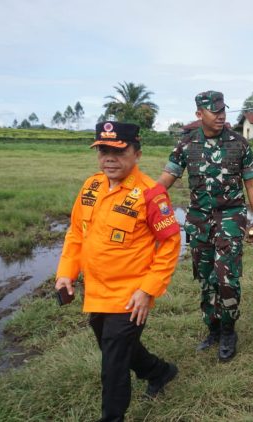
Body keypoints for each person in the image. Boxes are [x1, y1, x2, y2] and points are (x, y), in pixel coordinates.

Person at [55, 122, 181, 421]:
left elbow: (170, 244)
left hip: (130, 295)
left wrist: (147, 290)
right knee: (115, 345)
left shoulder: (151, 194)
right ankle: (160, 372)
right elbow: (76, 233)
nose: (109, 157)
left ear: (136, 154)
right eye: (103, 150)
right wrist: (66, 273)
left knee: (113, 362)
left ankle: (112, 416)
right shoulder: (91, 186)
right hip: (95, 291)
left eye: (118, 151)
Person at [158, 90, 253, 362]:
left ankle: (229, 331)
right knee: (206, 277)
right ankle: (213, 328)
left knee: (226, 277)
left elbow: (251, 183)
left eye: (222, 110)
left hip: (230, 216)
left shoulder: (239, 144)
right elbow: (167, 178)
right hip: (199, 220)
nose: (220, 115)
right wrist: (142, 201)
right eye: (213, 111)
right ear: (199, 114)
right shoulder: (186, 144)